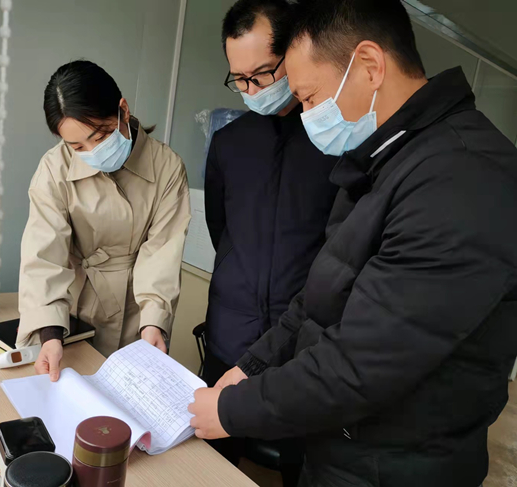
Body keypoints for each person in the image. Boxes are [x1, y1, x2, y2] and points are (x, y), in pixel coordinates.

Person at [189, 1, 517, 486]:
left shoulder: (461, 180)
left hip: (396, 463)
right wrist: (253, 364)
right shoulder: (384, 158)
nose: (306, 116)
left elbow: (364, 363)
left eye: (309, 97)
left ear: (368, 65)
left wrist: (233, 410)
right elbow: (320, 293)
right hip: (344, 444)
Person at [202, 0, 339, 474]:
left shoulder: (334, 139)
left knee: (301, 462)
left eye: (261, 74)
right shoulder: (230, 142)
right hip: (229, 331)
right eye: (239, 79)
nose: (252, 90)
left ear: (295, 53)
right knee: (212, 458)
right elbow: (219, 226)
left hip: (303, 343)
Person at [16, 60, 191, 380]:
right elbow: (44, 255)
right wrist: (50, 333)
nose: (92, 151)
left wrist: (154, 321)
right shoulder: (54, 169)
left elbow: (162, 252)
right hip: (73, 313)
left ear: (122, 110)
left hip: (137, 316)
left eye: (100, 136)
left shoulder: (167, 167)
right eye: (77, 146)